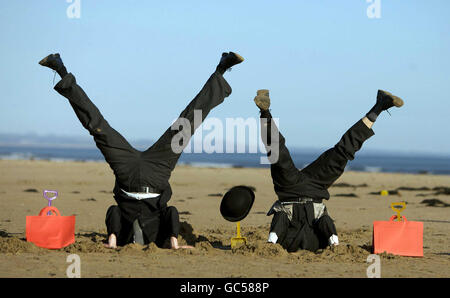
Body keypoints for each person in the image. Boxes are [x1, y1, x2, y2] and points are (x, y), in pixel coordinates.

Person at [39, 51, 244, 249]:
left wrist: (112, 240)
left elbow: (114, 213)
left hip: (127, 171)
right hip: (156, 172)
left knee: (98, 127)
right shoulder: (158, 239)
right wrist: (174, 243)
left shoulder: (126, 238)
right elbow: (170, 213)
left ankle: (61, 70)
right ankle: (221, 70)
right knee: (187, 123)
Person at [254, 89, 404, 252]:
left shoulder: (300, 243)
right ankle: (379, 105)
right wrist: (334, 243)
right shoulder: (310, 243)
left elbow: (283, 221)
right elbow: (323, 223)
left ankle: (379, 106)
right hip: (309, 188)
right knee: (279, 152)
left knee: (342, 151)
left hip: (305, 189)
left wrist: (334, 242)